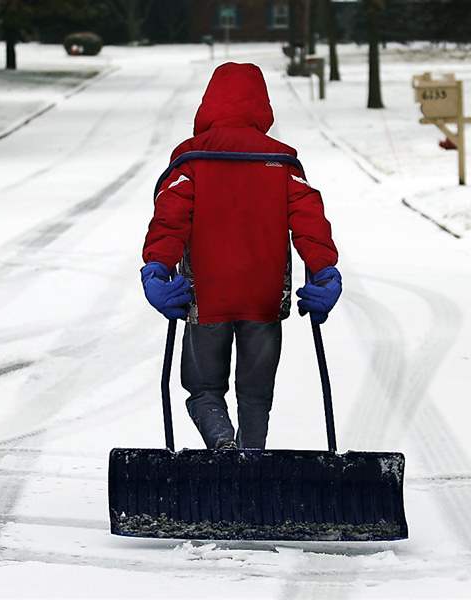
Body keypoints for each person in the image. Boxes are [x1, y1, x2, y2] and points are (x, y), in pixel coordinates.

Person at [140, 62, 341, 451]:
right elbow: (310, 220)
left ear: (208, 104)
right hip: (264, 301)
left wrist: (156, 269)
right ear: (262, 106)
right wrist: (324, 271)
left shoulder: (191, 160)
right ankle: (252, 457)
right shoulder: (282, 162)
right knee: (255, 393)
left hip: (206, 298)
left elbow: (169, 219)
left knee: (203, 388)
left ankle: (223, 448)